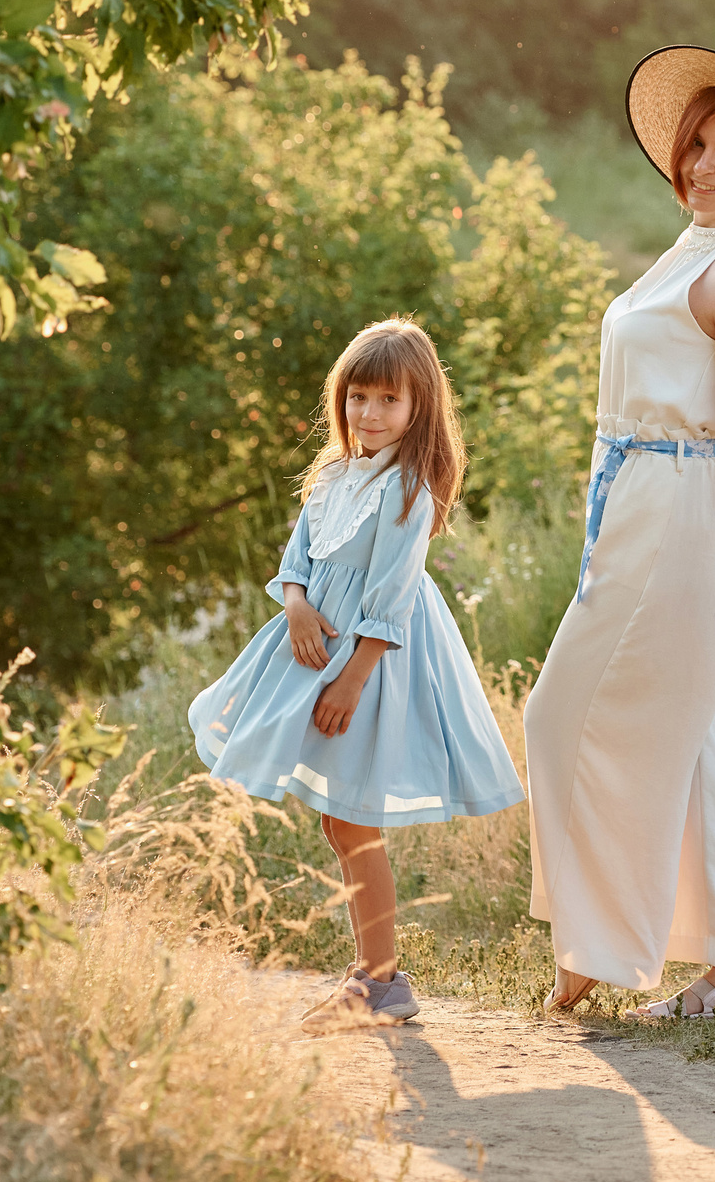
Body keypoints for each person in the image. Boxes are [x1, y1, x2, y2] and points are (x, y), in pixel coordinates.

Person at [527, 46, 715, 1021]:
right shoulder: (693, 249)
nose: (702, 165)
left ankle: (599, 943)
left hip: (687, 513)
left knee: (557, 714)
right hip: (640, 500)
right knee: (701, 744)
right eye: (696, 145)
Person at [189, 318, 524, 1025]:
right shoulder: (336, 472)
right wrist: (297, 607)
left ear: (419, 407)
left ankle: (381, 979)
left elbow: (395, 595)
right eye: (357, 398)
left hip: (370, 660)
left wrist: (352, 678)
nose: (369, 415)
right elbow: (296, 558)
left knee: (353, 816)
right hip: (314, 643)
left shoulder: (407, 487)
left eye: (388, 401)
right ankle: (372, 971)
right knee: (336, 822)